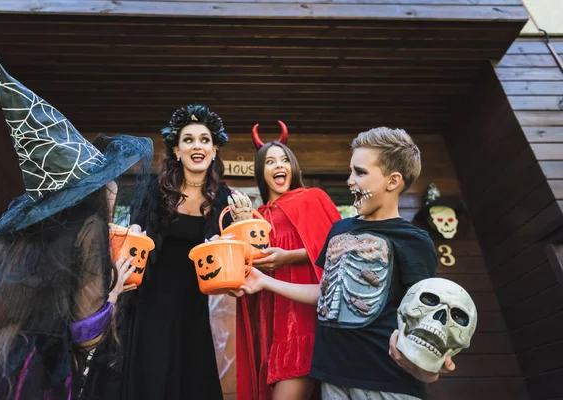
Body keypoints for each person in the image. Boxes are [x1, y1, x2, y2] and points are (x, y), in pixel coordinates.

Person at [0, 42, 153, 400]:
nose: (111, 185)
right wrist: (113, 291)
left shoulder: (9, 239)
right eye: (103, 179)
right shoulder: (87, 228)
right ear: (88, 194)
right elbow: (87, 334)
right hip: (35, 378)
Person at [235, 127, 455, 400]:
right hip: (334, 379)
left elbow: (424, 311)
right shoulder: (339, 231)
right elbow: (325, 292)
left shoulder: (414, 240)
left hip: (387, 382)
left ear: (393, 181)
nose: (350, 180)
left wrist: (430, 361)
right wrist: (264, 281)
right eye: (350, 171)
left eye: (360, 172)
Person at [89, 104, 251, 400]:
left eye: (204, 139)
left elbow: (238, 252)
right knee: (148, 375)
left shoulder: (226, 198)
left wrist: (242, 224)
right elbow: (135, 235)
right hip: (148, 300)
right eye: (188, 140)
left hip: (192, 305)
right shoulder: (155, 189)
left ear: (214, 150)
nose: (197, 145)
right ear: (177, 151)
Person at [230, 122, 342, 400]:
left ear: (292, 167)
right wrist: (243, 229)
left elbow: (341, 250)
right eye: (269, 161)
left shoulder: (313, 198)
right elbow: (248, 267)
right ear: (261, 171)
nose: (278, 166)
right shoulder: (256, 216)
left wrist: (289, 257)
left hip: (309, 319)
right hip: (273, 320)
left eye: (284, 160)